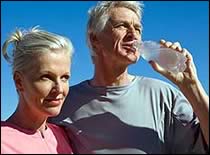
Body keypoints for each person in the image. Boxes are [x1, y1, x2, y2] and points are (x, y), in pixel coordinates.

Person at [50, 1, 209, 154]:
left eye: (138, 28)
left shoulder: (164, 96)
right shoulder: (62, 101)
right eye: (122, 26)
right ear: (95, 39)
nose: (133, 35)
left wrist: (192, 86)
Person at [1, 26, 74, 154]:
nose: (59, 89)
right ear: (19, 81)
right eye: (46, 77)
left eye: (64, 77)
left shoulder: (62, 135)